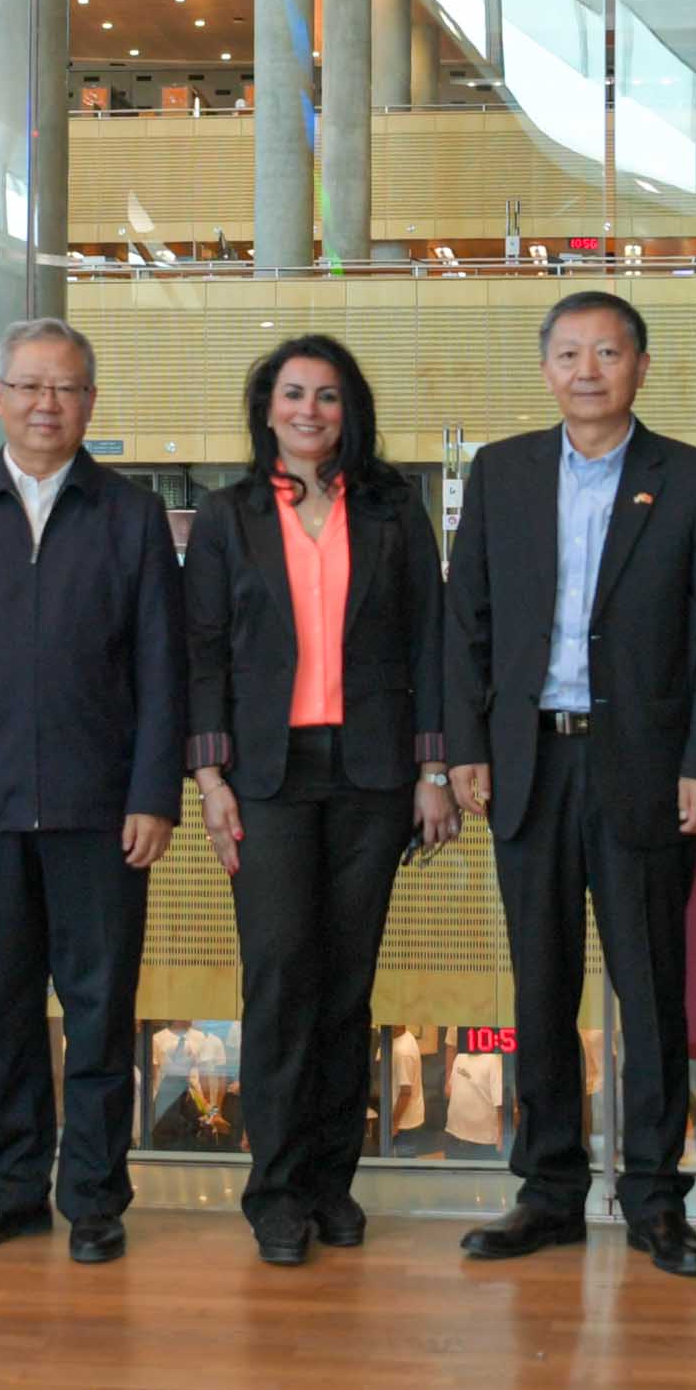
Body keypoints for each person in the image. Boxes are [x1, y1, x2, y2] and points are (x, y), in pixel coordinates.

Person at [445, 292, 696, 1276]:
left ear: (640, 367)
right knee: (540, 987)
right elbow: (466, 620)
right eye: (569, 353)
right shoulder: (502, 472)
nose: (588, 370)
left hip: (647, 768)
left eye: (607, 353)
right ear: (546, 369)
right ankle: (548, 1192)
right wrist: (466, 746)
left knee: (651, 988)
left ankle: (655, 1198)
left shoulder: (693, 480)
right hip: (529, 762)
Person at [0, 322, 185, 1265]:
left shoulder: (130, 514)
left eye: (64, 388)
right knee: (6, 1006)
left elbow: (162, 666)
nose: (44, 404)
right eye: (26, 386)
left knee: (99, 1010)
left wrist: (154, 793)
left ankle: (94, 1196)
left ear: (89, 402)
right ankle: (11, 1187)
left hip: (102, 807)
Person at [184, 336, 454, 1264]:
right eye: (293, 394)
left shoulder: (391, 508)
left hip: (373, 774)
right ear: (267, 408)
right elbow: (201, 652)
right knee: (279, 978)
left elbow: (429, 643)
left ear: (350, 411)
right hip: (265, 777)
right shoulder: (226, 515)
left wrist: (432, 771)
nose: (310, 411)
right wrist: (209, 780)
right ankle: (275, 1191)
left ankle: (331, 1184)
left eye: (328, 396)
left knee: (346, 985)